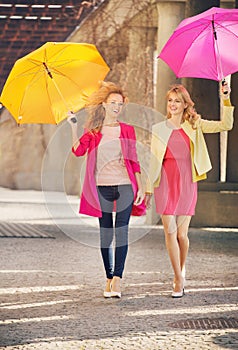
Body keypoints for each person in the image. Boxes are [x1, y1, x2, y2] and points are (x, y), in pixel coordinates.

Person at [145, 82, 234, 298]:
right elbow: (153, 162)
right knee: (170, 231)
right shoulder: (158, 129)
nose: (173, 104)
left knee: (182, 235)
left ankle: (181, 269)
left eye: (177, 101)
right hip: (165, 183)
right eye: (170, 101)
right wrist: (147, 191)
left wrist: (225, 98)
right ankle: (178, 278)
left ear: (185, 104)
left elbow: (226, 125)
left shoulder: (194, 125)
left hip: (186, 182)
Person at [68, 81, 145, 299]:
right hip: (101, 188)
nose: (116, 107)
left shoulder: (127, 130)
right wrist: (73, 126)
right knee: (106, 235)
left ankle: (118, 279)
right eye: (113, 103)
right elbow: (77, 151)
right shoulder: (93, 132)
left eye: (120, 104)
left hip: (125, 186)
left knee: (121, 232)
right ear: (104, 105)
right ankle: (109, 277)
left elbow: (134, 160)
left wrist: (139, 186)